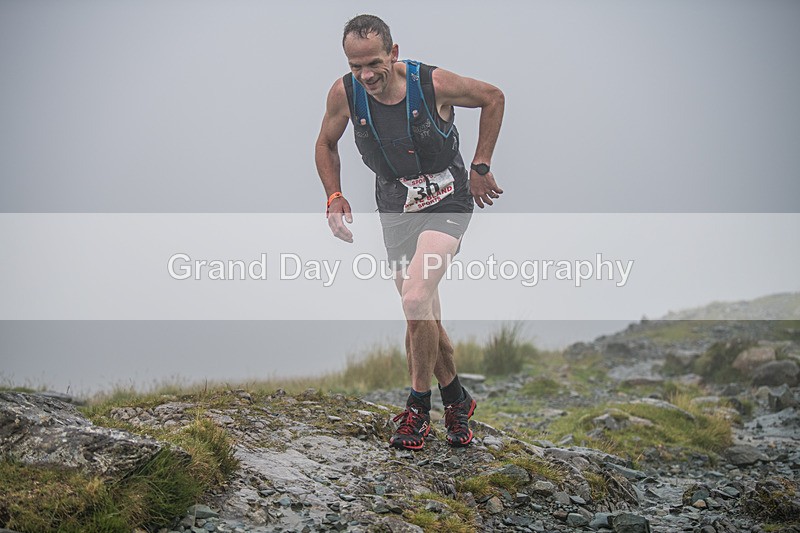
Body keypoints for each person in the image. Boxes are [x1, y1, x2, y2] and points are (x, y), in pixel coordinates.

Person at [315, 14, 504, 450]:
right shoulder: (344, 94)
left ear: (393, 53)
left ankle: (418, 408)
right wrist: (333, 195)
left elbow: (493, 97)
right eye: (355, 65)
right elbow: (325, 142)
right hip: (396, 207)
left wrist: (481, 165)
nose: (365, 75)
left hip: (448, 199)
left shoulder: (430, 83)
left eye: (374, 63)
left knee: (415, 297)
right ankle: (457, 400)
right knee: (422, 313)